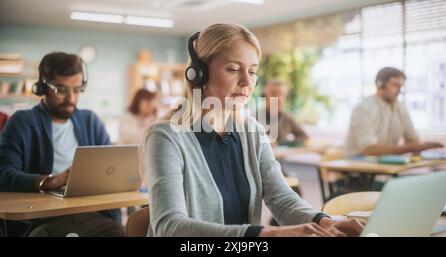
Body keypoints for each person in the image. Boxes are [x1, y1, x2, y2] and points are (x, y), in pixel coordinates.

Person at [143, 23, 364, 237]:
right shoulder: (168, 136)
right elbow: (169, 227)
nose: (246, 82)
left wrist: (326, 222)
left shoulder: (252, 131)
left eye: (253, 71)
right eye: (234, 69)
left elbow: (281, 198)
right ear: (199, 73)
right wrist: (267, 234)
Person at [0, 52, 125, 236]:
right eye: (61, 89)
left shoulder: (90, 121)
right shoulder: (22, 122)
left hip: (90, 214)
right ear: (42, 87)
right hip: (44, 218)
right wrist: (48, 181)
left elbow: (112, 168)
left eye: (76, 90)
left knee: (117, 232)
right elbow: (4, 173)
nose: (71, 99)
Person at [344, 67, 443, 157]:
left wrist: (418, 147)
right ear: (380, 84)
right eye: (395, 85)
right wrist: (410, 148)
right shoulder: (364, 108)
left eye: (401, 86)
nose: (399, 90)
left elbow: (413, 141)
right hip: (358, 162)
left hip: (384, 162)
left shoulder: (400, 108)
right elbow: (369, 149)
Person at [261, 79, 308, 146]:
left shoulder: (288, 117)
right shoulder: (254, 118)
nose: (279, 98)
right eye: (273, 94)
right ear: (265, 96)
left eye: (282, 94)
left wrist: (283, 144)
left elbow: (304, 137)